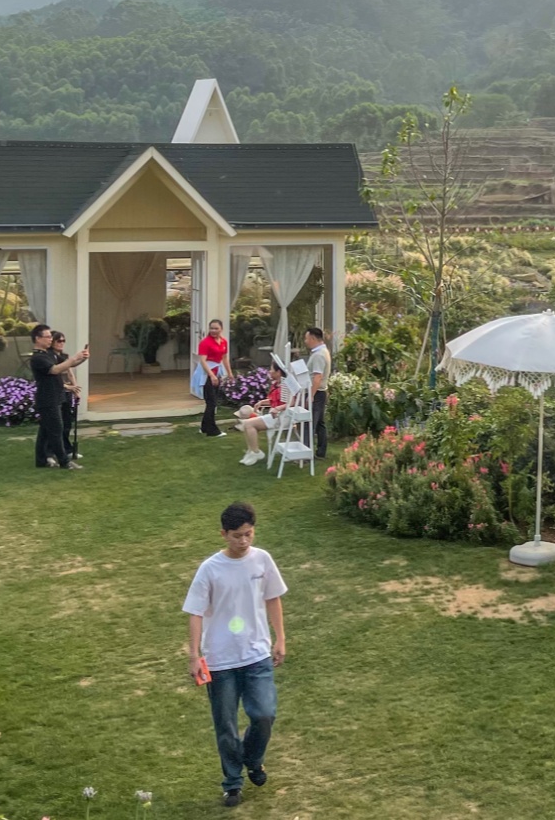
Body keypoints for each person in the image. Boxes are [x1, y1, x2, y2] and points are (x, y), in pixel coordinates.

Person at [184, 501, 286, 808]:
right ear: (223, 534)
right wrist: (194, 656)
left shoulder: (262, 560)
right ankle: (232, 783)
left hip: (257, 655)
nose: (244, 541)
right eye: (237, 535)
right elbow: (195, 613)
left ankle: (252, 759)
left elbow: (273, 598)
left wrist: (280, 638)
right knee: (226, 725)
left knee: (264, 714)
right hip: (220, 661)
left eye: (249, 534)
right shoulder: (210, 569)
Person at [27, 324, 88, 469]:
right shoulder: (38, 358)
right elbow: (55, 370)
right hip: (47, 399)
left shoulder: (48, 354)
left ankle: (41, 461)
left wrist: (83, 358)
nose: (51, 339)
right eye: (47, 336)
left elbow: (67, 365)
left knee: (45, 431)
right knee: (56, 431)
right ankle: (64, 462)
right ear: (38, 338)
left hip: (56, 397)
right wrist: (75, 357)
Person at [232, 377, 285, 464]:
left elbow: (291, 402)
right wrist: (262, 402)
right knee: (245, 423)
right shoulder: (276, 384)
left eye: (272, 370)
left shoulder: (285, 386)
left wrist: (278, 408)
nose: (270, 372)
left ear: (278, 372)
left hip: (281, 416)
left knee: (248, 424)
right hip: (274, 414)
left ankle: (256, 452)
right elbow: (274, 401)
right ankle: (251, 450)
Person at [196, 319, 232, 438]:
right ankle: (212, 430)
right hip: (206, 374)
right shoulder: (205, 342)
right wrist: (211, 375)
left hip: (217, 373)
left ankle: (204, 427)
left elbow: (224, 358)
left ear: (221, 329)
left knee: (212, 402)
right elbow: (203, 361)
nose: (213, 330)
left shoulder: (223, 342)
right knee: (211, 402)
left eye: (216, 328)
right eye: (211, 328)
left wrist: (230, 373)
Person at [54, 330, 82, 463]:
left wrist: (75, 388)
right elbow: (54, 378)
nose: (61, 343)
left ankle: (67, 449)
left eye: (63, 341)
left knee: (67, 423)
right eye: (59, 341)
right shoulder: (50, 358)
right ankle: (54, 451)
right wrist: (67, 387)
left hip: (67, 393)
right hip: (57, 392)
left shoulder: (65, 357)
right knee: (57, 425)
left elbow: (70, 373)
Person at [303, 326, 331, 459]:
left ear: (313, 338)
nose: (305, 341)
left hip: (317, 393)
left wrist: (311, 395)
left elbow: (318, 377)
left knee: (310, 423)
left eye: (307, 338)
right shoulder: (322, 351)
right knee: (319, 423)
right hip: (320, 392)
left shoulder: (319, 355)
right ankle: (321, 452)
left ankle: (306, 454)